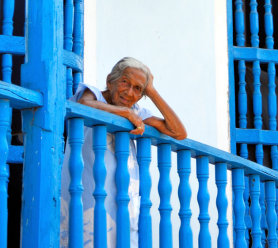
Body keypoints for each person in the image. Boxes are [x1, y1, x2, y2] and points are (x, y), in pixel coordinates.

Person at [60, 57, 186, 247]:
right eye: (125, 82)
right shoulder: (93, 94)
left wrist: (151, 91)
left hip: (119, 196)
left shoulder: (136, 110)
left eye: (138, 89)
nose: (129, 92)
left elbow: (178, 132)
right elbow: (85, 106)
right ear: (110, 81)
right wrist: (124, 114)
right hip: (86, 190)